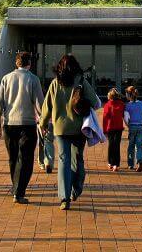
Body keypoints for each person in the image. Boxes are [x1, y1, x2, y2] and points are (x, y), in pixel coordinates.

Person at [40, 54, 101, 210]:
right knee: (78, 159)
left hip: (60, 128)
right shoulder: (81, 82)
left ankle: (64, 197)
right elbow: (95, 103)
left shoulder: (55, 83)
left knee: (63, 161)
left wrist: (43, 123)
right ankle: (76, 189)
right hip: (79, 128)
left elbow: (47, 105)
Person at [0, 51, 44, 204]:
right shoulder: (33, 79)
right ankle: (19, 192)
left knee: (13, 158)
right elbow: (39, 104)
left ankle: (15, 187)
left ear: (16, 63)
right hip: (27, 124)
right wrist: (44, 122)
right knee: (26, 159)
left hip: (9, 124)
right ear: (29, 63)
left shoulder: (6, 78)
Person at [123, 86, 142, 172]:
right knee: (139, 146)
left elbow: (126, 118)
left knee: (131, 146)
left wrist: (127, 125)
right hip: (140, 127)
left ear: (129, 95)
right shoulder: (141, 104)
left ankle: (130, 164)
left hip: (132, 127)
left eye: (126, 94)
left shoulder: (127, 106)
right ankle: (140, 161)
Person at [101, 88, 125, 171]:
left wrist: (104, 130)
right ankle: (116, 164)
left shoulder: (107, 105)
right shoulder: (122, 104)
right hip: (119, 128)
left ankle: (110, 162)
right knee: (117, 145)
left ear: (109, 96)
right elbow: (123, 115)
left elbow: (104, 119)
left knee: (111, 145)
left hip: (110, 128)